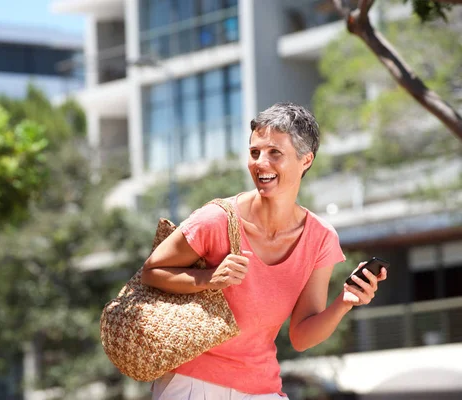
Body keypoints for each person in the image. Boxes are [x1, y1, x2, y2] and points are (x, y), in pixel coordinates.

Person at [141, 102, 388, 400]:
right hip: (191, 382)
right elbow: (151, 272)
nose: (260, 163)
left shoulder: (320, 238)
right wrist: (209, 278)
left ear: (306, 160)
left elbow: (301, 337)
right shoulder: (217, 219)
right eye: (255, 152)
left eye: (275, 153)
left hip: (261, 387)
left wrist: (344, 303)